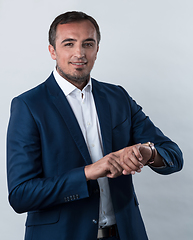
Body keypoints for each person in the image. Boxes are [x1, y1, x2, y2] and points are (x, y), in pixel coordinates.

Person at [7, 11, 183, 240]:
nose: (79, 53)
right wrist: (88, 173)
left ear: (97, 48)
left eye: (87, 44)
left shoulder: (117, 97)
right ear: (52, 50)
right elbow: (21, 195)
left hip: (124, 234)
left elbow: (174, 156)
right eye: (69, 44)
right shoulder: (28, 106)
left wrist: (146, 152)